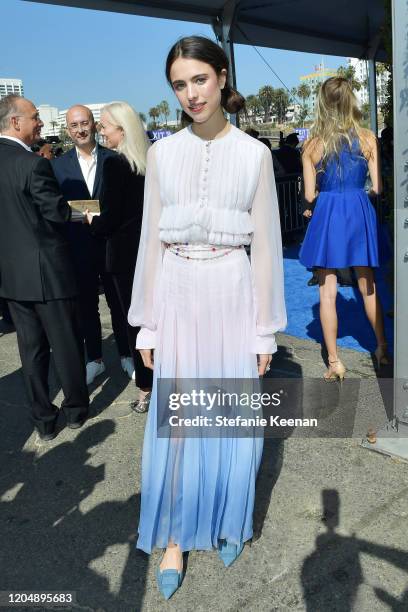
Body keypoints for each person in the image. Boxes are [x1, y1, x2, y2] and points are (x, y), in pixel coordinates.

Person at [128, 36, 286, 599]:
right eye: (179, 84)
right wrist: (145, 321)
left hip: (232, 289)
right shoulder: (163, 154)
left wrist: (263, 327)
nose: (191, 93)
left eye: (199, 79)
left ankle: (225, 517)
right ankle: (173, 533)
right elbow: (150, 241)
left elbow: (266, 245)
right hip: (176, 291)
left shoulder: (255, 155)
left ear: (221, 77)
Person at [0, 95, 89, 440]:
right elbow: (56, 213)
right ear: (15, 123)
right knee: (65, 344)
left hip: (12, 278)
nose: (39, 122)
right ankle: (76, 411)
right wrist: (85, 212)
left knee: (31, 350)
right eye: (35, 117)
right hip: (49, 274)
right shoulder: (33, 163)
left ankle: (43, 420)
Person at [299, 77, 389, 378]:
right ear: (351, 101)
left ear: (323, 103)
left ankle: (335, 361)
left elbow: (310, 195)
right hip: (358, 211)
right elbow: (377, 187)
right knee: (368, 286)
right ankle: (381, 348)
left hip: (327, 214)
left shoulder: (312, 145)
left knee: (326, 293)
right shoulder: (367, 138)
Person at [52, 105, 133, 385]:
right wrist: (83, 216)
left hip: (112, 246)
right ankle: (94, 359)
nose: (80, 130)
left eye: (84, 123)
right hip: (79, 249)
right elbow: (57, 209)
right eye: (74, 126)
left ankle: (126, 354)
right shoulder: (58, 166)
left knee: (119, 305)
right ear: (68, 130)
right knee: (86, 308)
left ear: (95, 125)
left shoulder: (116, 159)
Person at [84, 102, 153, 412]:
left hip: (124, 257)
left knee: (135, 323)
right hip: (152, 252)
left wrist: (91, 220)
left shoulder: (114, 164)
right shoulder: (151, 161)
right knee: (158, 321)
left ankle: (145, 389)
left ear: (122, 130)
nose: (101, 131)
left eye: (104, 126)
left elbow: (109, 219)